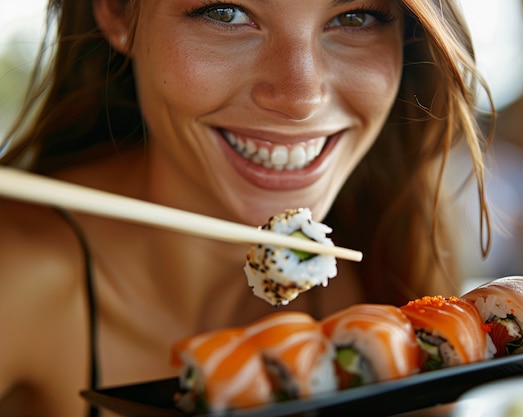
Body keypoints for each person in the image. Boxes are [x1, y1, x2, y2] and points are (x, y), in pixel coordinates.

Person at [0, 0, 493, 415]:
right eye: (226, 11)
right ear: (117, 12)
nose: (301, 96)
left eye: (355, 17)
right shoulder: (18, 274)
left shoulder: (389, 249)